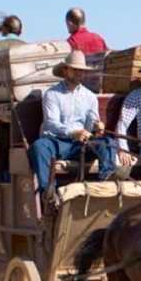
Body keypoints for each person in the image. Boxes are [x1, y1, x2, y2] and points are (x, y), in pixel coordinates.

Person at [29, 50, 119, 193]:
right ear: (65, 70)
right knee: (39, 147)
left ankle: (106, 184)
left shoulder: (89, 96)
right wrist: (73, 132)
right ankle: (48, 193)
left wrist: (96, 125)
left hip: (80, 143)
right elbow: (52, 123)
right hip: (57, 142)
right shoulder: (52, 94)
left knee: (108, 142)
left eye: (81, 70)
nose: (79, 73)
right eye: (75, 69)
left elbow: (92, 121)